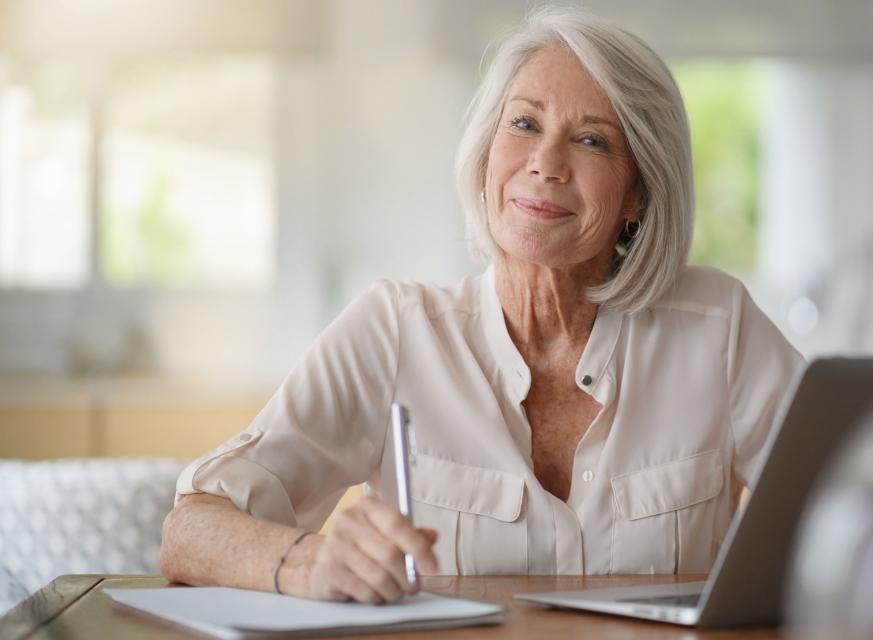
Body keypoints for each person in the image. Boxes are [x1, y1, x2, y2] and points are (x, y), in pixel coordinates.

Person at [159, 6, 803, 605]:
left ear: (639, 192)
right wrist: (310, 563)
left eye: (592, 141)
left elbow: (865, 495)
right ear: (487, 151)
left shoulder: (719, 329)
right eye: (524, 124)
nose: (546, 162)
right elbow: (189, 532)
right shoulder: (395, 331)